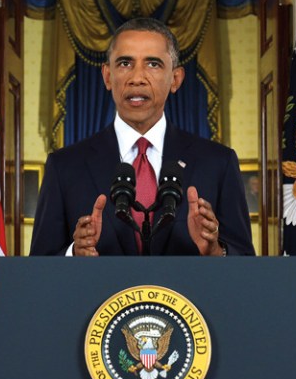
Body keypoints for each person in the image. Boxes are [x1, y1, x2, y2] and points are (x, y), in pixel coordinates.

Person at [29, 18, 255, 257]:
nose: (137, 77)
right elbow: (39, 268)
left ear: (175, 79)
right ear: (107, 76)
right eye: (125, 63)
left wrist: (215, 251)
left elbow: (246, 264)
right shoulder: (64, 166)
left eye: (153, 64)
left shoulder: (218, 163)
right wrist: (74, 253)